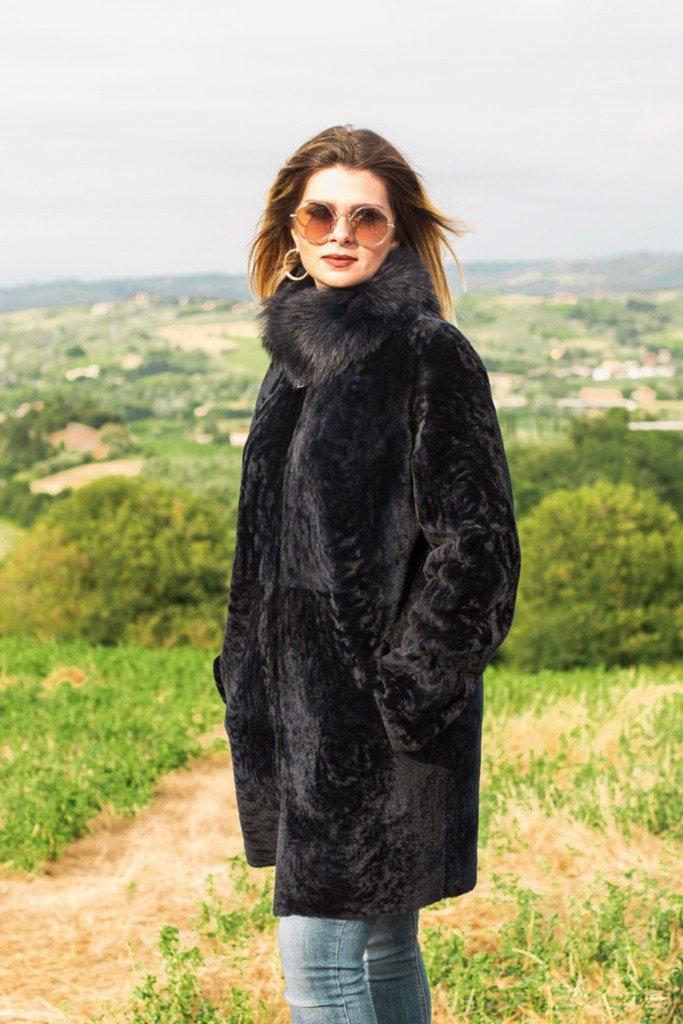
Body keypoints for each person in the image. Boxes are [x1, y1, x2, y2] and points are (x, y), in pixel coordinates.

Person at [213, 125, 521, 1024]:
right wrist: (247, 668)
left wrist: (406, 691)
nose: (340, 233)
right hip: (300, 712)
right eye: (319, 214)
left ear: (396, 232)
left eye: (365, 217)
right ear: (291, 227)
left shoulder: (428, 352)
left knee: (317, 971)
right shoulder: (294, 361)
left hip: (375, 723)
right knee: (383, 947)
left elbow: (478, 546)